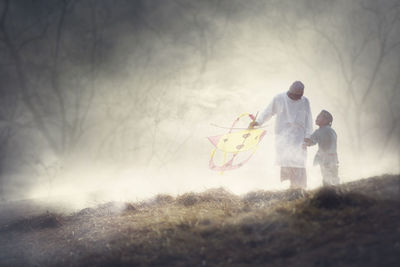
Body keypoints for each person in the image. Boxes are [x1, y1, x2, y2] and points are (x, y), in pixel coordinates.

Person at [249, 81, 313, 189]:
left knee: (298, 162)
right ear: (291, 92)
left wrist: (308, 136)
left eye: (300, 95)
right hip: (283, 137)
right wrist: (258, 122)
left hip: (299, 137)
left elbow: (309, 120)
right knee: (286, 161)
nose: (298, 97)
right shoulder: (279, 98)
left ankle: (299, 188)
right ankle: (289, 188)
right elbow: (268, 112)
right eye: (296, 95)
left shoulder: (305, 101)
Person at [304, 110, 339, 186]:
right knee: (334, 176)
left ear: (325, 120)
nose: (316, 118)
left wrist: (303, 141)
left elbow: (310, 141)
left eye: (319, 117)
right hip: (334, 157)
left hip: (325, 159)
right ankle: (337, 190)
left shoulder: (320, 131)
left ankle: (327, 191)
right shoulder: (332, 131)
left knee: (326, 177)